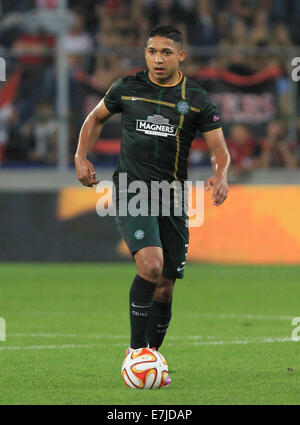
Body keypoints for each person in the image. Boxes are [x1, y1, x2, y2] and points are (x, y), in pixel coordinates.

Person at [74, 25, 230, 385]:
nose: (158, 59)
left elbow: (219, 149)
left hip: (172, 196)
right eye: (151, 51)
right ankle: (135, 353)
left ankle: (152, 355)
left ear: (181, 56)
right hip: (132, 189)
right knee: (151, 265)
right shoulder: (126, 88)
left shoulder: (197, 98)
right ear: (145, 53)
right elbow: (95, 118)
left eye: (166, 52)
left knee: (166, 286)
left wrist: (221, 175)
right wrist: (81, 156)